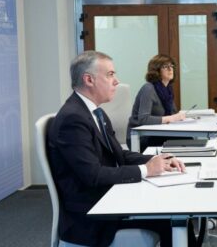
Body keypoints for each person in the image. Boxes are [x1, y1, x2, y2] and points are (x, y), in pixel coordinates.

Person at [48, 51, 187, 247]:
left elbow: (119, 154)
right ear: (89, 79)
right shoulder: (73, 119)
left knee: (180, 216)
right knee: (175, 220)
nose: (117, 81)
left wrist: (158, 161)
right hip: (92, 216)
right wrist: (147, 170)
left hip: (107, 200)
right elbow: (93, 175)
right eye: (110, 74)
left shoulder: (96, 112)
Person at [127, 54, 187, 150]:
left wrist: (180, 116)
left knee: (187, 139)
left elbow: (173, 114)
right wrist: (171, 118)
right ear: (156, 71)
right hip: (140, 138)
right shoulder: (148, 88)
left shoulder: (168, 89)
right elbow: (143, 119)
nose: (170, 69)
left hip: (157, 132)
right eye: (165, 67)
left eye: (171, 66)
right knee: (185, 140)